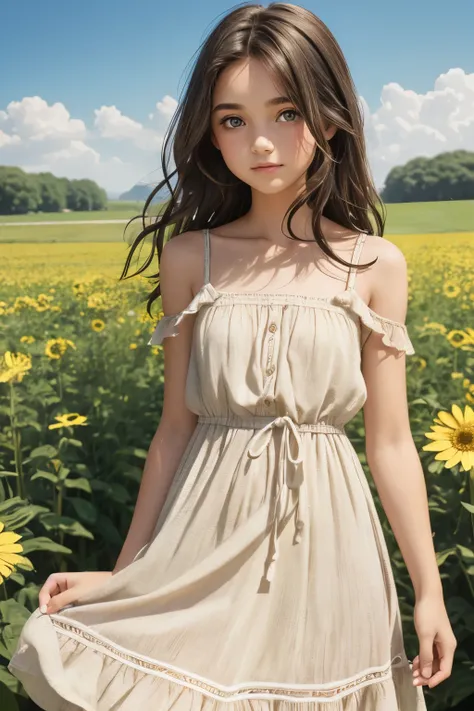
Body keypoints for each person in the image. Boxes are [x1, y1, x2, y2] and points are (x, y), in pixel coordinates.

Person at [9, 3, 456, 710]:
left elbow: (393, 441)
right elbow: (173, 431)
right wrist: (127, 576)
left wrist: (429, 591)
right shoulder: (193, 256)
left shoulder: (375, 264)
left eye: (286, 112)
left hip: (328, 547)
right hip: (201, 539)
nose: (262, 143)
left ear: (332, 116)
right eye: (233, 120)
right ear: (210, 133)